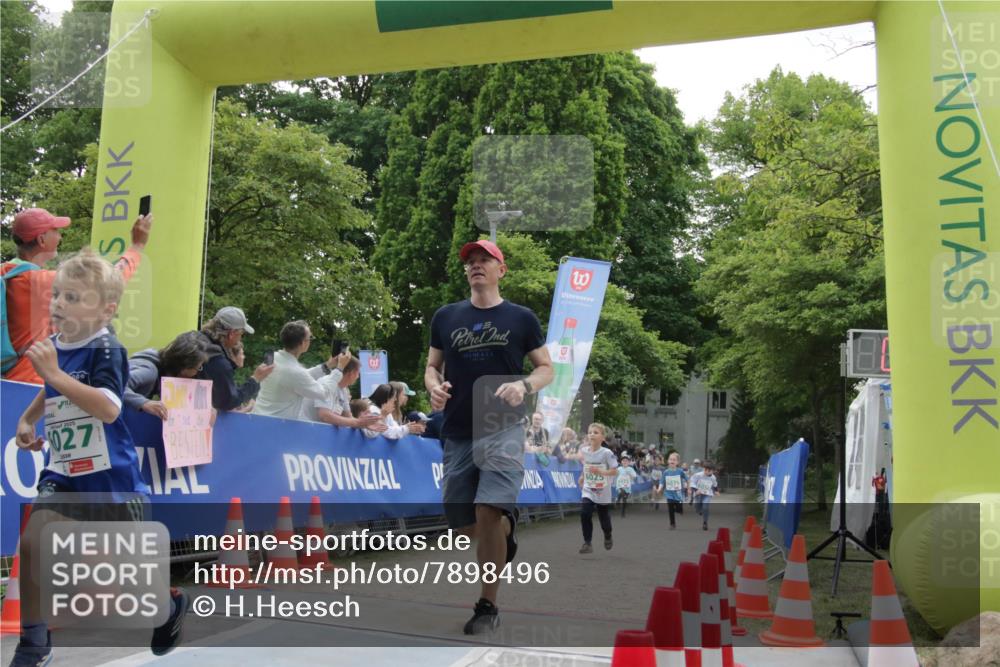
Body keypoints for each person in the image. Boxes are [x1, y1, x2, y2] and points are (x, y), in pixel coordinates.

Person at [10, 249, 187, 666]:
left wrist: (54, 374)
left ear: (106, 310)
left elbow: (108, 408)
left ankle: (167, 608)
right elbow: (51, 390)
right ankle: (34, 645)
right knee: (33, 544)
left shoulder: (107, 348)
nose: (58, 304)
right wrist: (27, 419)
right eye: (57, 294)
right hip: (63, 471)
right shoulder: (56, 345)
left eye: (72, 298)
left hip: (112, 478)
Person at [424, 238, 552, 635]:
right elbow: (432, 367)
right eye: (471, 261)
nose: (476, 265)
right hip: (457, 428)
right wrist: (434, 387)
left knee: (488, 509)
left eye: (485, 260)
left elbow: (546, 368)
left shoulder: (521, 318)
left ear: (501, 269)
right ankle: (506, 530)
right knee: (465, 523)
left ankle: (487, 604)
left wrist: (524, 386)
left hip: (503, 424)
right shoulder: (446, 316)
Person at [2, 208, 152, 384]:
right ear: (42, 240)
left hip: (8, 380)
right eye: (55, 231)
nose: (60, 237)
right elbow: (112, 280)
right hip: (32, 380)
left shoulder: (6, 273)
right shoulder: (39, 281)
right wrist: (136, 247)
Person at [252, 320, 340, 420]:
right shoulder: (295, 371)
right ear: (303, 343)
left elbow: (299, 378)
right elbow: (323, 393)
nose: (311, 341)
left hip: (258, 418)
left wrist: (327, 366)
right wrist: (339, 369)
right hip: (276, 426)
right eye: (310, 338)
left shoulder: (273, 358)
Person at [195, 306, 273, 411]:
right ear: (232, 334)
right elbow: (229, 402)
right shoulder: (218, 362)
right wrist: (255, 379)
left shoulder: (192, 338)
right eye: (241, 334)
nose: (240, 339)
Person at [124, 332, 210, 419]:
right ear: (184, 368)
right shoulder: (148, 372)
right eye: (198, 367)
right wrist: (144, 403)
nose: (197, 372)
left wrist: (206, 408)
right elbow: (118, 386)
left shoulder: (166, 371)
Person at [302, 351, 383, 430]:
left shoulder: (343, 389)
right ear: (351, 373)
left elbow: (348, 416)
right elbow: (325, 416)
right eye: (357, 373)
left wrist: (365, 424)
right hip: (306, 432)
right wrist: (358, 422)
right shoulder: (327, 383)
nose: (358, 377)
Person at [577, 422, 618, 554]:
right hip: (589, 488)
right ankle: (587, 543)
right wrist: (582, 476)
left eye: (595, 432)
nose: (592, 435)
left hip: (603, 489)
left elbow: (615, 471)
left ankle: (608, 535)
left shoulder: (607, 453)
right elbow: (587, 466)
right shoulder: (584, 451)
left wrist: (601, 472)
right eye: (590, 432)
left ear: (603, 438)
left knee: (603, 518)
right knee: (585, 513)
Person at [663, 451, 688, 530]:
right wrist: (660, 487)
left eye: (674, 460)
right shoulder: (666, 472)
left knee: (678, 508)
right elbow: (662, 481)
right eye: (670, 459)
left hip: (678, 493)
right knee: (670, 508)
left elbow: (687, 479)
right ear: (668, 461)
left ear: (677, 462)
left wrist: (689, 487)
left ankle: (680, 509)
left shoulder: (680, 471)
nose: (672, 461)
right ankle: (672, 524)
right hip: (669, 493)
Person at [692, 461, 720, 531]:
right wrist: (696, 490)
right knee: (697, 507)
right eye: (705, 470)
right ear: (703, 469)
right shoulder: (698, 475)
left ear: (713, 471)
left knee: (705, 507)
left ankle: (705, 522)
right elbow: (692, 482)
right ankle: (699, 510)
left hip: (707, 494)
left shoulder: (713, 477)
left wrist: (716, 491)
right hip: (698, 494)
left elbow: (715, 485)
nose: (706, 472)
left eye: (709, 471)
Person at [615, 453, 638, 518]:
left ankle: (623, 512)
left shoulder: (630, 469)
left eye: (626, 461)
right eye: (623, 461)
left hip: (627, 485)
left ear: (629, 462)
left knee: (624, 499)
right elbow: (615, 474)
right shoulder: (619, 468)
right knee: (622, 492)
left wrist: (631, 475)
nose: (625, 462)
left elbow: (634, 476)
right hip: (620, 484)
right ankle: (618, 500)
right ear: (621, 462)